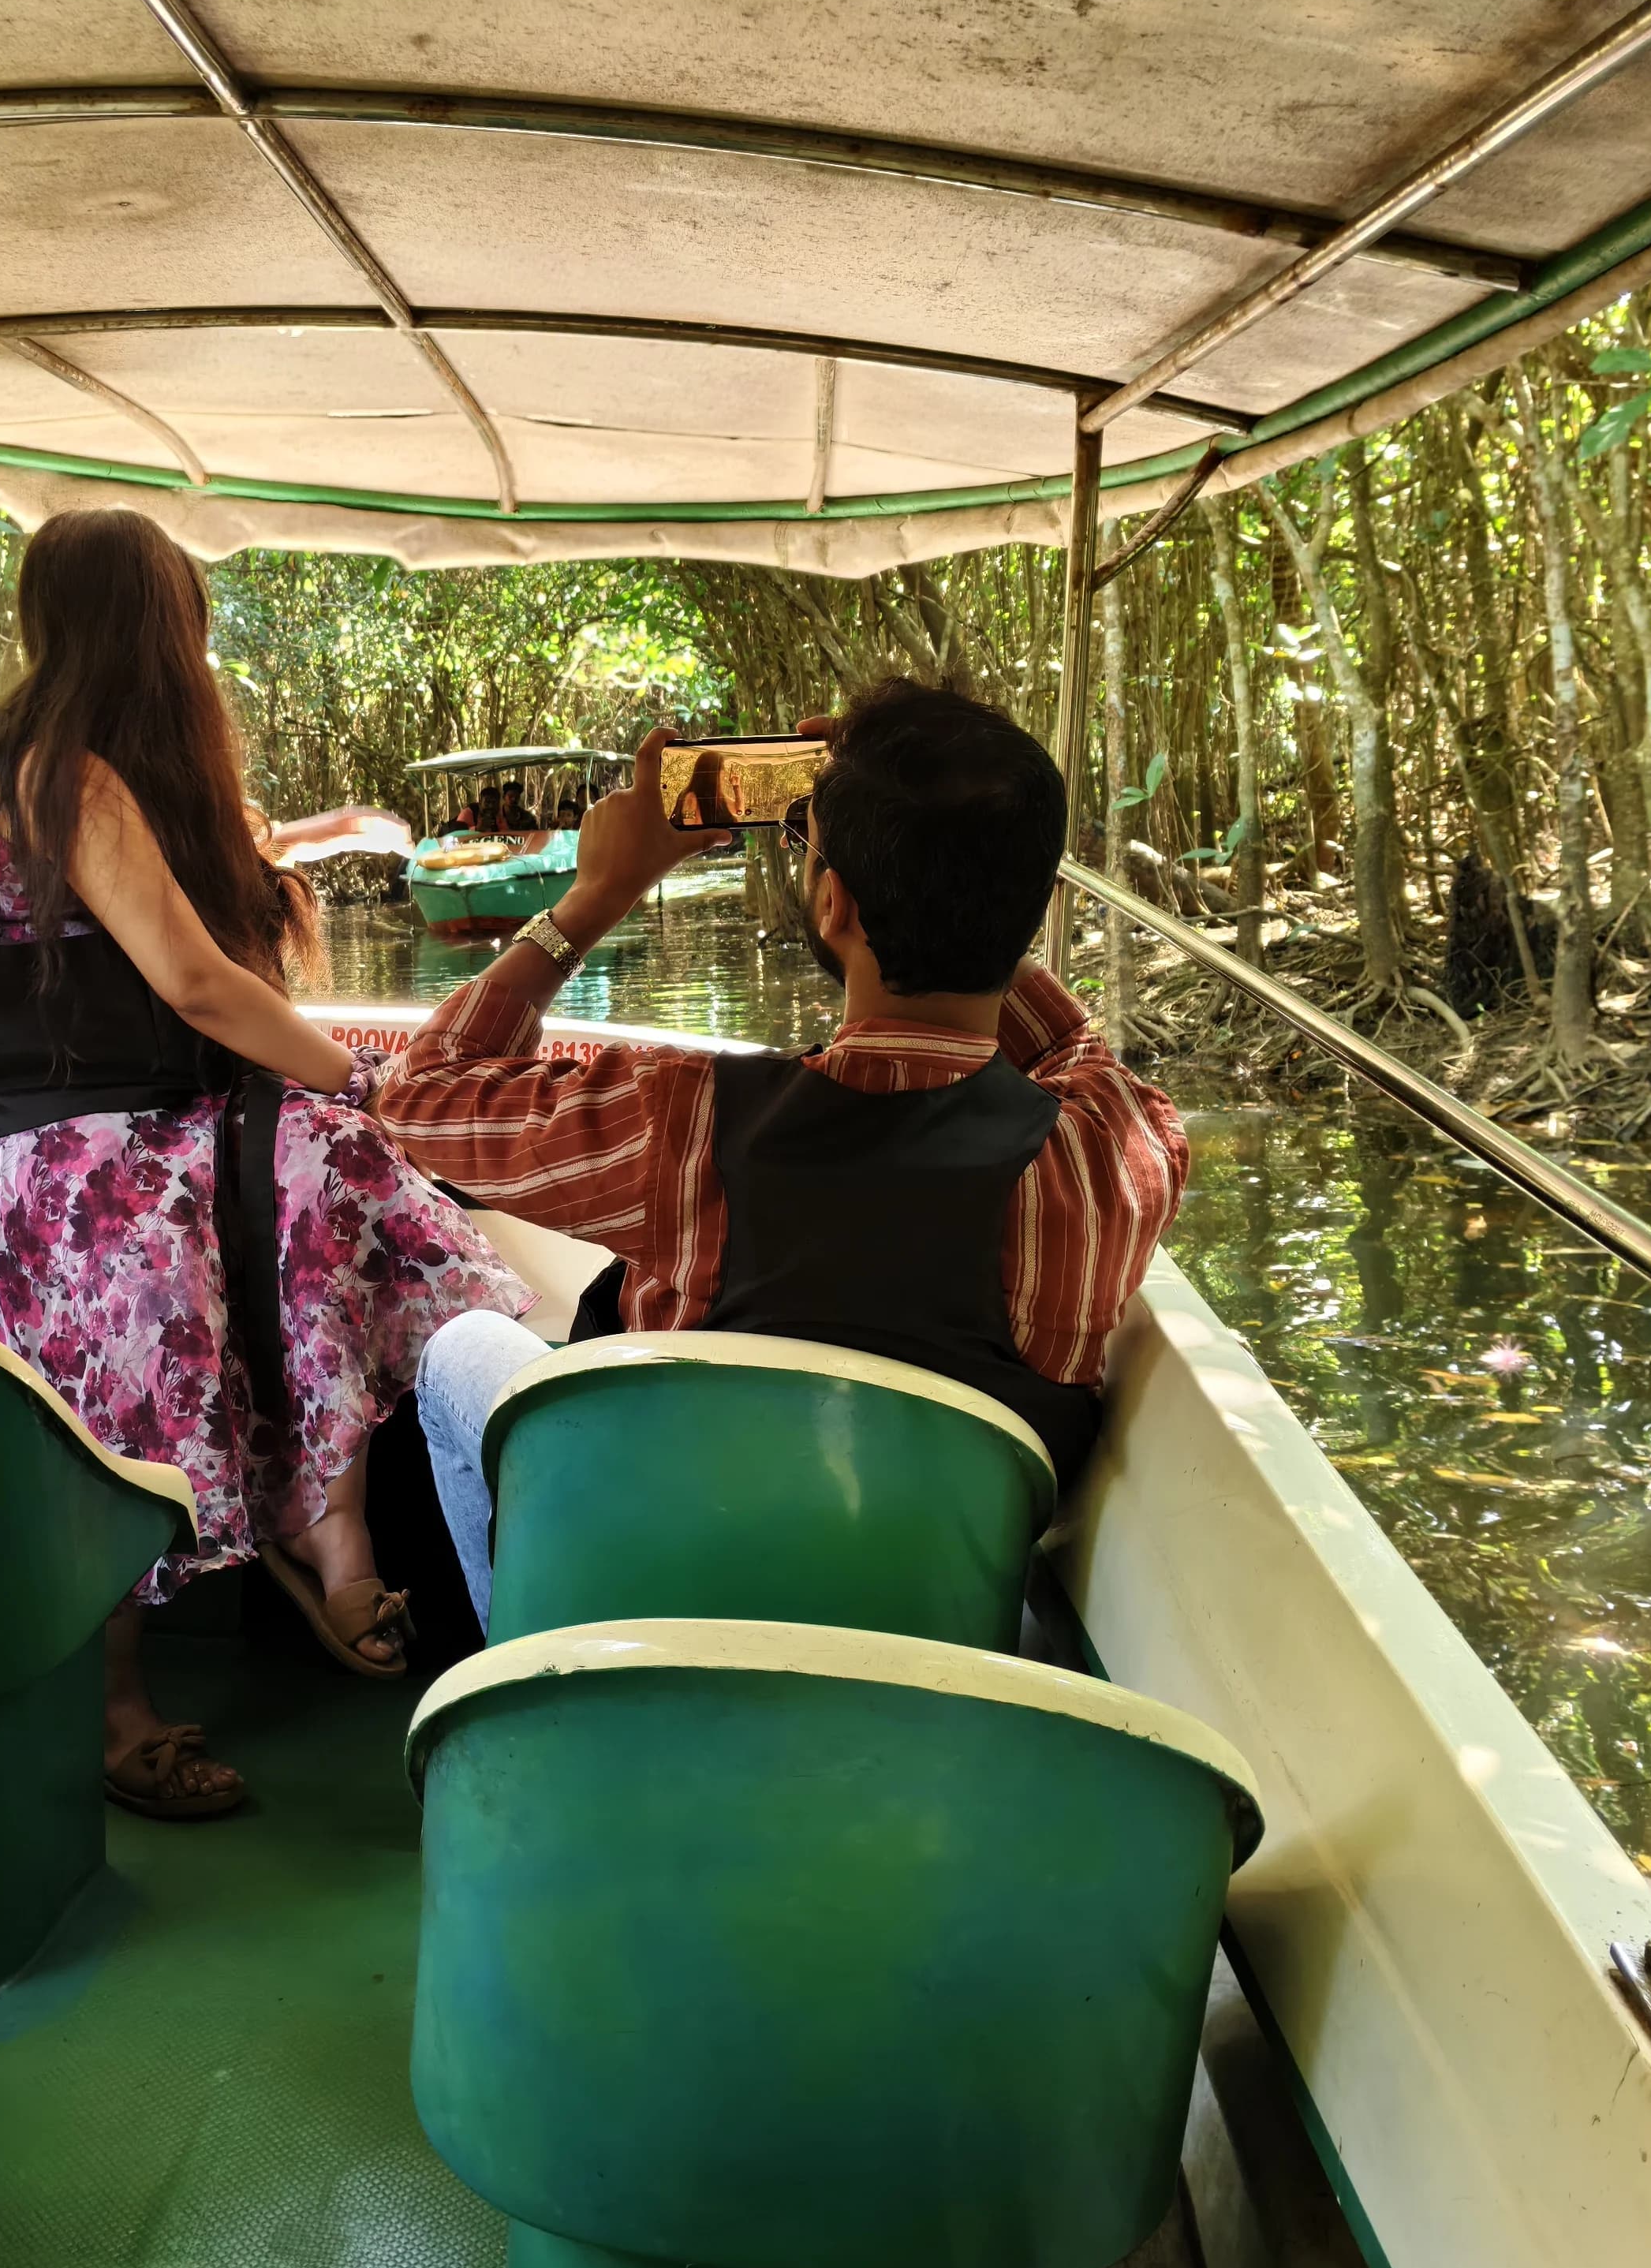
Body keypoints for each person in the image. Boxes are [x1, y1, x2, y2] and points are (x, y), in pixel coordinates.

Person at [0, 510, 530, 1810]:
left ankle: (325, 1525)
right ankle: (125, 1693)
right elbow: (195, 983)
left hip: (31, 1141)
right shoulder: (67, 776)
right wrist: (359, 1071)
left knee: (313, 1161)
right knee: (240, 1186)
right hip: (55, 1165)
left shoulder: (6, 764)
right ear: (165, 631)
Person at [379, 682, 1190, 1627]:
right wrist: (972, 883)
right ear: (1037, 911)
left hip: (663, 1605)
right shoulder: (1103, 1160)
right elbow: (1073, 1055)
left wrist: (596, 895)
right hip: (917, 1643)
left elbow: (420, 1090)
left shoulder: (681, 1122)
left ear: (831, 899)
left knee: (459, 1350)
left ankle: (535, 1666)